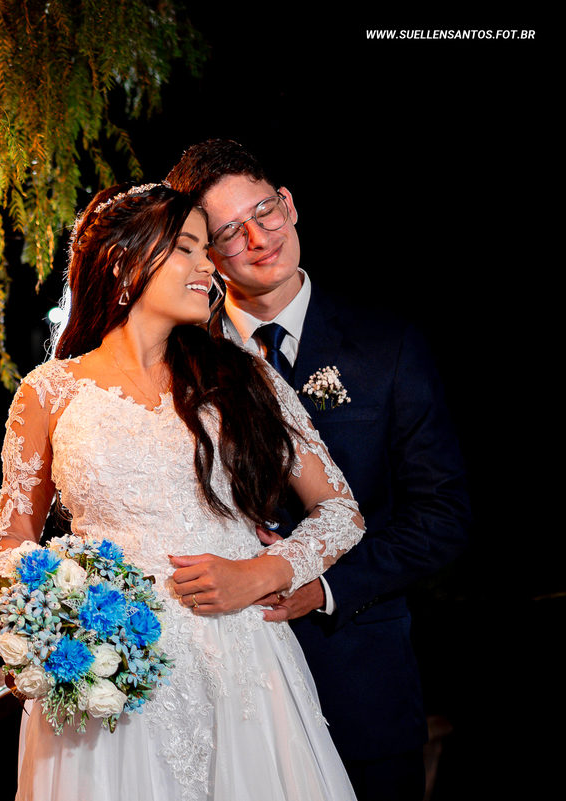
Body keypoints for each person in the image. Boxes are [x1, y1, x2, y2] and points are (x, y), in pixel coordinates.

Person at [0, 182, 364, 800]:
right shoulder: (49, 391)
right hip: (110, 677)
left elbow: (341, 511)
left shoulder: (244, 375)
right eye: (187, 248)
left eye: (205, 249)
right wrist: (52, 626)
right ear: (125, 262)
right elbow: (12, 538)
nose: (207, 265)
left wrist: (264, 572)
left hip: (240, 664)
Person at [165, 140, 470, 801]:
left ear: (289, 204)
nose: (259, 239)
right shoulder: (176, 360)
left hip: (360, 686)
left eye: (265, 212)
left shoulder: (389, 345)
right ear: (205, 253)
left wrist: (323, 585)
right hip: (222, 689)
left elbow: (441, 517)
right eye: (229, 232)